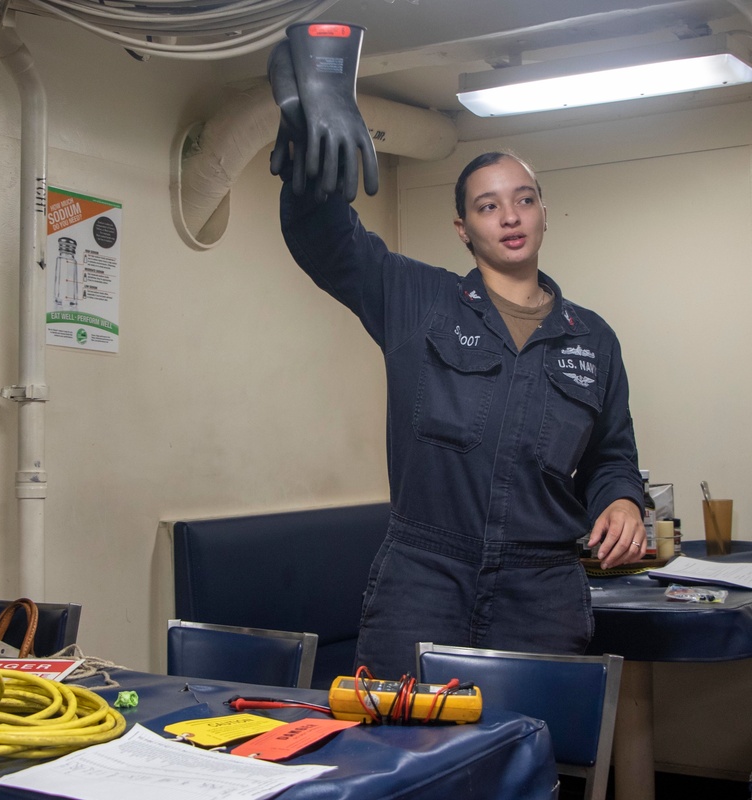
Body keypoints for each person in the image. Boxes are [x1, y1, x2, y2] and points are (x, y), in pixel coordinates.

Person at [277, 150, 646, 678]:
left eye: (524, 200)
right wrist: (311, 156)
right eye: (488, 206)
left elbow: (611, 454)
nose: (511, 217)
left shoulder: (593, 339)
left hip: (541, 593)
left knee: (526, 750)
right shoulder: (420, 300)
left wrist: (623, 501)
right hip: (423, 580)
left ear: (543, 211)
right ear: (463, 229)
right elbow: (328, 241)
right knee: (398, 744)